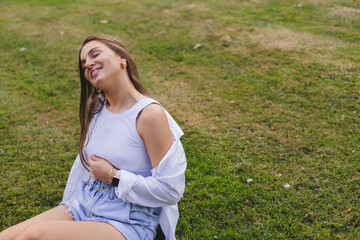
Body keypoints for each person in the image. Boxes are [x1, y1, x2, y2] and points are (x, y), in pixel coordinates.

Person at [0, 34, 187, 240]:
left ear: (121, 58)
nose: (88, 64)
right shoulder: (96, 106)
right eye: (83, 63)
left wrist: (113, 175)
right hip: (86, 202)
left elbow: (170, 191)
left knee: (35, 235)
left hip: (128, 220)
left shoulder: (149, 115)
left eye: (94, 54)